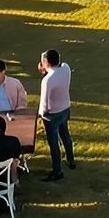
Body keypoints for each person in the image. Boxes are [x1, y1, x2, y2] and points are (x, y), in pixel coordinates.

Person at [38, 48, 75, 181]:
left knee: (53, 143)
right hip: (65, 108)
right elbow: (61, 67)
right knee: (65, 135)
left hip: (52, 114)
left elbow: (44, 102)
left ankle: (57, 170)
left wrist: (42, 115)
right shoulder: (66, 68)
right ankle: (71, 160)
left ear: (46, 62)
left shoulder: (47, 80)